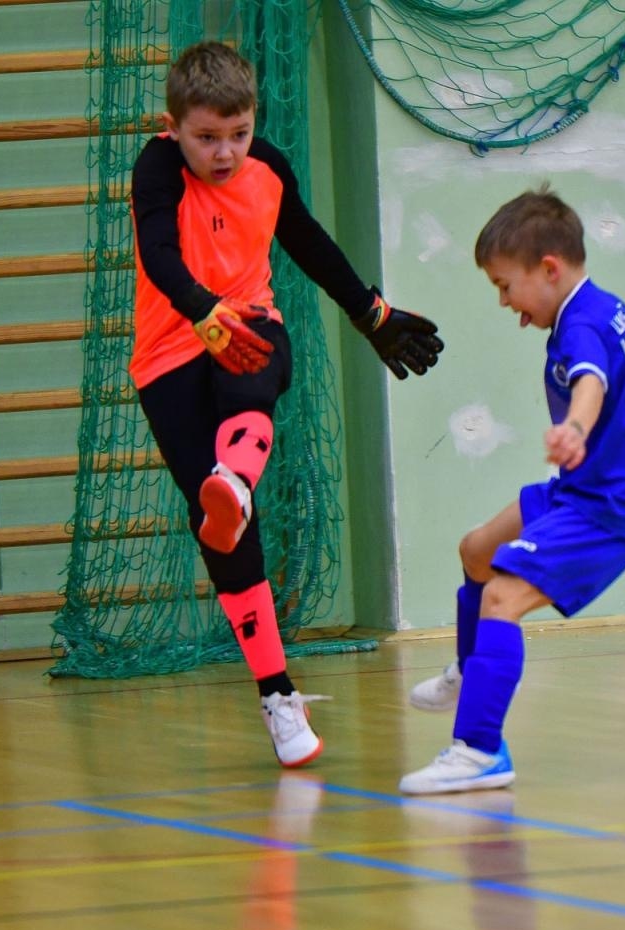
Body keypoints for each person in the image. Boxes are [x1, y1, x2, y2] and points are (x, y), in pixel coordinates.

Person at [131, 41, 444, 768]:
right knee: (228, 539)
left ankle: (235, 481)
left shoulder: (267, 167)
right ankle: (277, 693)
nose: (225, 152)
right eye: (206, 137)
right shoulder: (156, 167)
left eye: (238, 134)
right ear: (175, 126)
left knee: (258, 367)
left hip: (247, 321)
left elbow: (306, 242)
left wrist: (373, 314)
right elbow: (157, 251)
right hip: (170, 351)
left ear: (253, 122)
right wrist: (202, 313)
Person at [400, 185, 625, 794]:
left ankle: (479, 751)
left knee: (501, 597)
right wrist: (622, 435)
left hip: (610, 507)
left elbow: (588, 383)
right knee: (477, 549)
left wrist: (581, 428)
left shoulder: (582, 325)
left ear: (549, 269)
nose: (505, 301)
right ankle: (471, 666)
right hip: (584, 486)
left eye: (505, 285)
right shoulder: (607, 307)